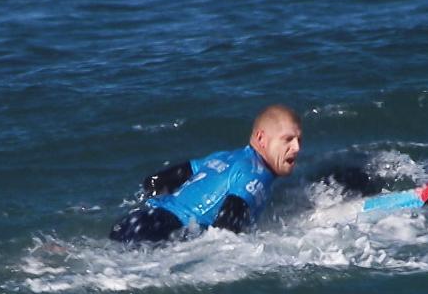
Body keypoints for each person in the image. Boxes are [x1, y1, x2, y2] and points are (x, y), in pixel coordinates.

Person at [110, 104, 302, 243]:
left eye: (299, 140)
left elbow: (155, 182)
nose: (297, 147)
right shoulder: (256, 174)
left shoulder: (223, 157)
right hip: (163, 232)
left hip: (137, 219)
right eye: (288, 139)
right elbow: (225, 231)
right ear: (261, 138)